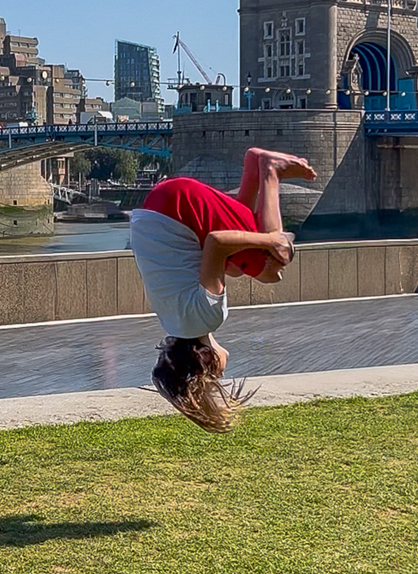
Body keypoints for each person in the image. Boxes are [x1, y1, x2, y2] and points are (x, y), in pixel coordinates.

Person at [130, 147, 316, 433]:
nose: (222, 372)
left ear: (204, 359)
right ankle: (252, 168)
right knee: (237, 265)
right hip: (157, 209)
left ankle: (269, 170)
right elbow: (217, 255)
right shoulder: (173, 322)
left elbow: (216, 242)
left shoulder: (207, 316)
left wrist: (270, 240)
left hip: (179, 206)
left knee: (271, 264)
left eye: (216, 375)